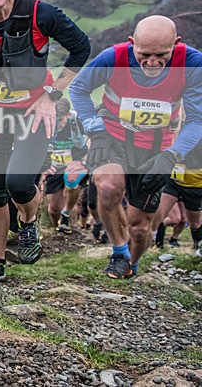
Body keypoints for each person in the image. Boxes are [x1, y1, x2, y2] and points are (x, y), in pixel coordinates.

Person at [0, 0, 90, 283]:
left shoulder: (40, 13)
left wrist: (51, 95)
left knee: (19, 183)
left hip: (33, 112)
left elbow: (81, 47)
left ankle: (28, 221)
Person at [69, 15, 202, 278]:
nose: (152, 63)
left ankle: (133, 260)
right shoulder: (113, 58)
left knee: (141, 227)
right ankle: (119, 252)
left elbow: (196, 119)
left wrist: (171, 156)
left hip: (156, 145)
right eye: (144, 54)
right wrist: (96, 131)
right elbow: (78, 89)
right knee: (108, 187)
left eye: (161, 55)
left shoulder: (192, 63)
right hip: (112, 136)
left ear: (176, 44)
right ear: (132, 43)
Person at [44, 99, 88, 234]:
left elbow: (94, 137)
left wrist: (84, 161)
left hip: (76, 162)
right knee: (53, 208)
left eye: (61, 121)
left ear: (68, 115)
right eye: (55, 120)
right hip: (54, 166)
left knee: (71, 178)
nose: (57, 125)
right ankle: (57, 227)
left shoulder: (77, 121)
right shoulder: (44, 121)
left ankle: (66, 214)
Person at [154, 139, 202, 256]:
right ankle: (156, 244)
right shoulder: (189, 129)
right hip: (174, 181)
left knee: (194, 223)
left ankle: (197, 248)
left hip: (194, 186)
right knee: (159, 215)